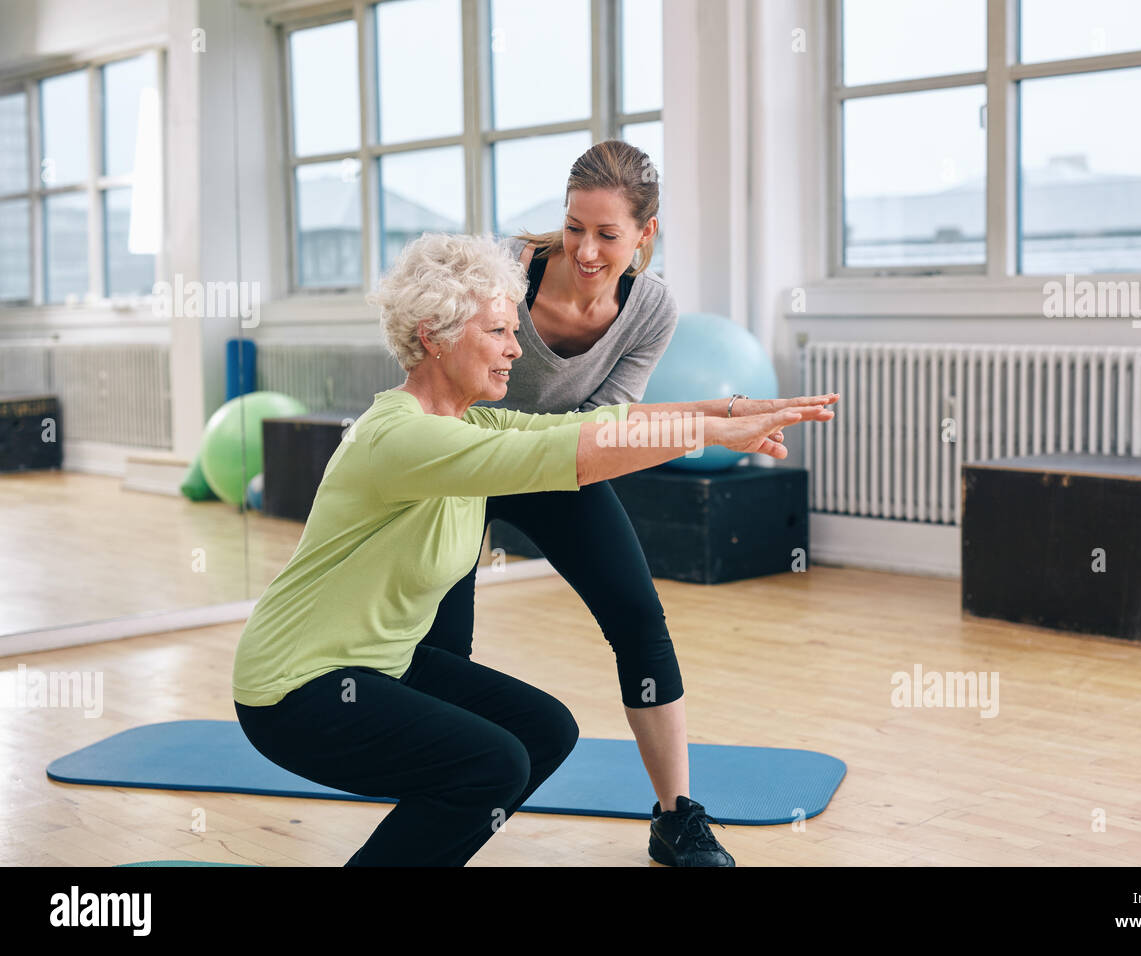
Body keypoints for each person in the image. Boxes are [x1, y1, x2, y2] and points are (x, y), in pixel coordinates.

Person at [231, 231, 837, 866]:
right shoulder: (401, 439)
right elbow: (570, 454)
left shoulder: (469, 420)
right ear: (434, 336)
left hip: (379, 664)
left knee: (543, 732)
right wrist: (708, 434)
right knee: (490, 764)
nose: (517, 350)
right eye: (497, 332)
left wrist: (734, 409)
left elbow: (598, 424)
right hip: (295, 688)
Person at [421, 139, 818, 866]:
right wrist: (716, 416)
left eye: (608, 234)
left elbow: (604, 429)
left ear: (646, 234)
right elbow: (438, 377)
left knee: (638, 619)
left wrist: (718, 419)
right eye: (575, 227)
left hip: (562, 464)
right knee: (442, 647)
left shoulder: (650, 309)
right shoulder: (506, 274)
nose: (587, 250)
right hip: (468, 461)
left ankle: (676, 817)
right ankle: (441, 799)